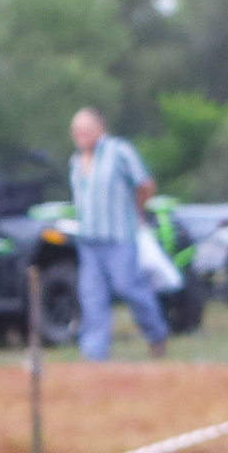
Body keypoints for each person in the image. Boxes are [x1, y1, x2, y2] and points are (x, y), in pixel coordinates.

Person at [68, 108, 168, 361]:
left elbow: (145, 184)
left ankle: (156, 333)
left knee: (128, 286)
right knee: (92, 297)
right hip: (89, 239)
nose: (80, 135)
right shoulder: (76, 161)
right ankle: (94, 353)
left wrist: (138, 212)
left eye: (85, 129)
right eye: (76, 130)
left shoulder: (119, 151)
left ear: (100, 128)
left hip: (119, 236)